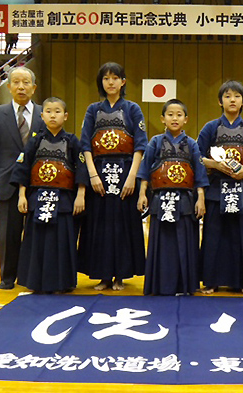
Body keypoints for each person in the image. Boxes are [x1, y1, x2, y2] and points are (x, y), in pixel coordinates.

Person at [78, 62, 147, 291]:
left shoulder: (133, 109)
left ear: (123, 81)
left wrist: (132, 177)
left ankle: (121, 275)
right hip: (98, 173)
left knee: (122, 225)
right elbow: (85, 144)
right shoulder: (92, 110)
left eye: (115, 78)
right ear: (101, 82)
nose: (110, 82)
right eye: (106, 78)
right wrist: (92, 175)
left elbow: (140, 146)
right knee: (100, 225)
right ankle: (103, 275)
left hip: (126, 171)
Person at [10, 97, 87, 293]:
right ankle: (36, 282)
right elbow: (23, 167)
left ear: (66, 116)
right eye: (49, 111)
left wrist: (81, 194)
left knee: (62, 240)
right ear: (42, 115)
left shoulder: (72, 141)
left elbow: (82, 168)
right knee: (37, 241)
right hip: (37, 197)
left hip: (63, 200)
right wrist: (22, 195)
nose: (53, 115)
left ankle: (62, 282)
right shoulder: (35, 140)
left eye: (57, 111)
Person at [197, 80, 243, 295]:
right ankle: (211, 281)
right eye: (227, 96)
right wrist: (215, 164)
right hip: (217, 190)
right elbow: (197, 158)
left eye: (236, 96)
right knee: (214, 235)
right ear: (220, 101)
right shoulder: (210, 127)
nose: (232, 100)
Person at [137, 99, 209, 296]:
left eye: (179, 115)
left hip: (185, 200)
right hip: (160, 199)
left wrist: (200, 198)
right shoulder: (155, 142)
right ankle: (159, 285)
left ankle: (185, 286)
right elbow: (144, 170)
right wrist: (142, 193)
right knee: (162, 244)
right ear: (163, 118)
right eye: (170, 114)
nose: (174, 118)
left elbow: (200, 174)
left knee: (185, 243)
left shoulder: (192, 144)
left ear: (186, 119)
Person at [0, 66, 45, 290]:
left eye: (26, 82)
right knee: (7, 234)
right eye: (16, 82)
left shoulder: (44, 113)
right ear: (8, 87)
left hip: (38, 183)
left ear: (34, 87)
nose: (21, 86)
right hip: (6, 183)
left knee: (36, 232)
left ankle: (31, 275)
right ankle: (7, 276)